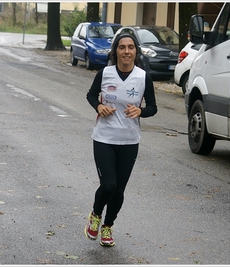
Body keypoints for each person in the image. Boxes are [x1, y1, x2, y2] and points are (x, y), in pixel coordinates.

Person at [85, 34, 157, 247]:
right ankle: (96, 215)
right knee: (108, 185)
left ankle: (108, 226)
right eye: (122, 47)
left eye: (131, 47)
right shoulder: (104, 73)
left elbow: (153, 107)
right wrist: (99, 106)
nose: (127, 51)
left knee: (118, 190)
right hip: (104, 138)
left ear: (136, 51)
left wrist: (141, 111)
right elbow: (90, 95)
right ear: (115, 50)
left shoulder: (144, 77)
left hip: (129, 141)